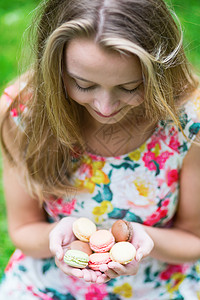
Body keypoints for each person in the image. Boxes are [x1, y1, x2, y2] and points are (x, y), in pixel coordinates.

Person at [0, 0, 200, 298]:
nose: (105, 107)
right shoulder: (25, 114)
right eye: (83, 84)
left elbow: (193, 239)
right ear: (54, 68)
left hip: (155, 288)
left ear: (161, 72)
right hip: (47, 285)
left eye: (130, 87)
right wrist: (56, 237)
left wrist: (144, 241)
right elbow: (24, 229)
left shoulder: (188, 121)